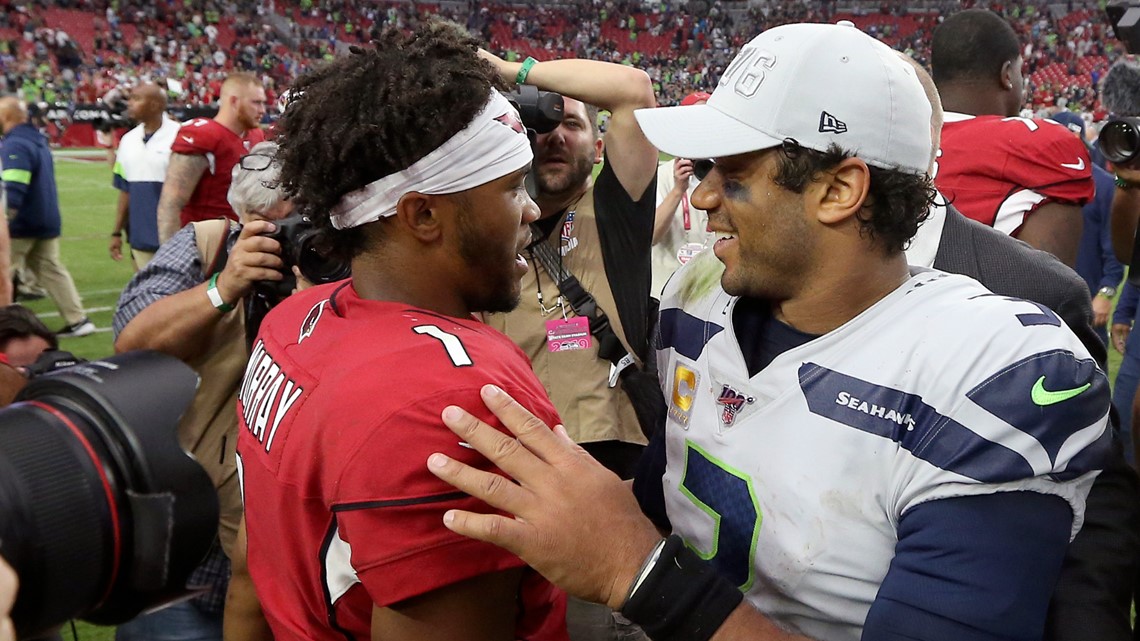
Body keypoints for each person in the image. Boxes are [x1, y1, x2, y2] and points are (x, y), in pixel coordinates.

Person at [428, 21, 1110, 641]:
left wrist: (637, 572)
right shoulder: (698, 298)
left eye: (734, 171)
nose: (701, 196)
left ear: (839, 190)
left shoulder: (988, 371)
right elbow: (666, 501)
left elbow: (641, 554)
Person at [233, 22, 566, 641]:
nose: (532, 209)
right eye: (507, 189)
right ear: (424, 214)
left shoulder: (290, 323)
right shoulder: (453, 399)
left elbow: (252, 576)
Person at [477, 43, 657, 641]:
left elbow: (633, 90)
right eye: (539, 125)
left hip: (611, 459)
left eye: (571, 124)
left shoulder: (617, 213)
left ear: (598, 147)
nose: (553, 137)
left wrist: (513, 73)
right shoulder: (485, 220)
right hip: (508, 459)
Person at [112, 140, 294, 641]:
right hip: (194, 559)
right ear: (248, 220)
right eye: (285, 226)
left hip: (294, 552)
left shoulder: (336, 260)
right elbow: (132, 342)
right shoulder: (208, 247)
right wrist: (224, 287)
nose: (300, 238)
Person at [931, 9, 1094, 268]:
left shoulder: (896, 134)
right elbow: (1052, 296)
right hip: (985, 305)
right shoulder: (1038, 144)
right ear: (1007, 74)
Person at [0, 96, 92, 337]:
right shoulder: (36, 139)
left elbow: (14, 187)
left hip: (22, 223)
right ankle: (78, 319)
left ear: (8, 116)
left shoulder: (15, 143)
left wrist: (6, 220)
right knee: (52, 270)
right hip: (46, 218)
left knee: (3, 273)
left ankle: (6, 329)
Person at [155, 72, 267, 243]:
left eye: (263, 103)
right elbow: (171, 203)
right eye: (256, 103)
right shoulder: (204, 134)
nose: (262, 110)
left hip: (242, 240)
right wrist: (170, 257)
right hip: (205, 244)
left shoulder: (256, 135)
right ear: (234, 101)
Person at [1048, 110, 1124, 347]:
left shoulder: (1103, 185)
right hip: (1041, 297)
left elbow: (1114, 249)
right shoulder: (1032, 181)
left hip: (1086, 302)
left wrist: (1106, 292)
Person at [111, 82, 180, 271]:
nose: (130, 103)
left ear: (155, 105)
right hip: (140, 238)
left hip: (176, 240)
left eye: (137, 99)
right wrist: (116, 232)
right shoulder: (128, 140)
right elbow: (125, 190)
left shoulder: (181, 136)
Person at [652, 91, 713, 296]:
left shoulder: (728, 177)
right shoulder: (662, 176)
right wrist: (678, 190)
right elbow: (650, 236)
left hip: (712, 293)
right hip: (665, 293)